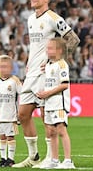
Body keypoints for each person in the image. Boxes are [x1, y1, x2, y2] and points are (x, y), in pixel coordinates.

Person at [13, 0, 80, 168]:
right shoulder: (30, 19)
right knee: (23, 114)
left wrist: (56, 61)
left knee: (46, 118)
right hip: (31, 72)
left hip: (45, 74)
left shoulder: (53, 18)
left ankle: (52, 158)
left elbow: (73, 39)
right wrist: (28, 62)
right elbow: (35, 47)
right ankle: (33, 156)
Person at [36, 37, 75, 169]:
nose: (47, 50)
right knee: (51, 131)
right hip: (49, 103)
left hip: (59, 103)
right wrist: (43, 93)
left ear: (59, 50)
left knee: (61, 130)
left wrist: (47, 93)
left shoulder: (62, 65)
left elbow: (64, 85)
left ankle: (68, 161)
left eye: (50, 48)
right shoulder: (48, 65)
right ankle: (54, 159)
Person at [0, 54, 22, 167]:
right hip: (0, 114)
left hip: (11, 114)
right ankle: (3, 158)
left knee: (10, 136)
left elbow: (21, 96)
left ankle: (11, 159)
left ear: (11, 68)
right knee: (1, 136)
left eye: (5, 66)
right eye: (0, 66)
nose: (3, 69)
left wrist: (20, 112)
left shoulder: (15, 81)